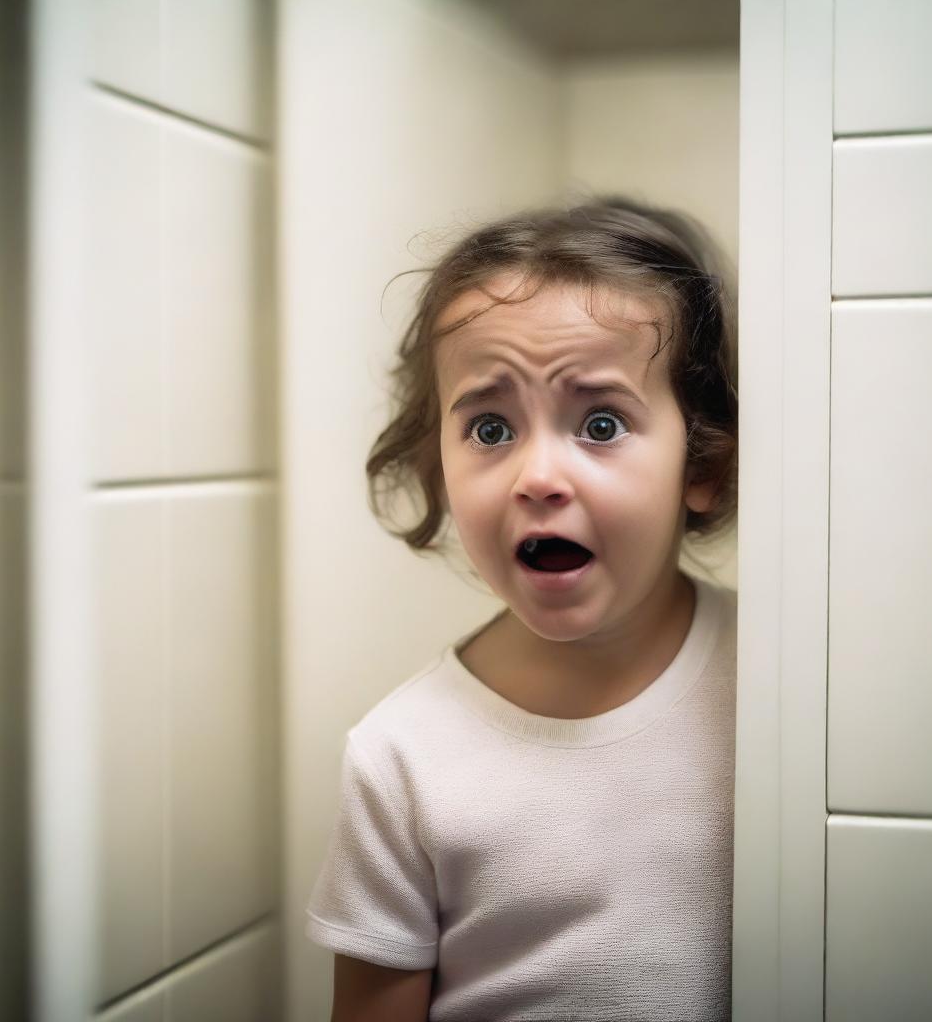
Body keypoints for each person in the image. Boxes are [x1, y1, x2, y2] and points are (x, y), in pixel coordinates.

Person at [305, 196, 739, 1022]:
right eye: (492, 428)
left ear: (704, 464)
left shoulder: (779, 683)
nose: (537, 475)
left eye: (601, 422)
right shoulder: (401, 758)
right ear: (438, 470)